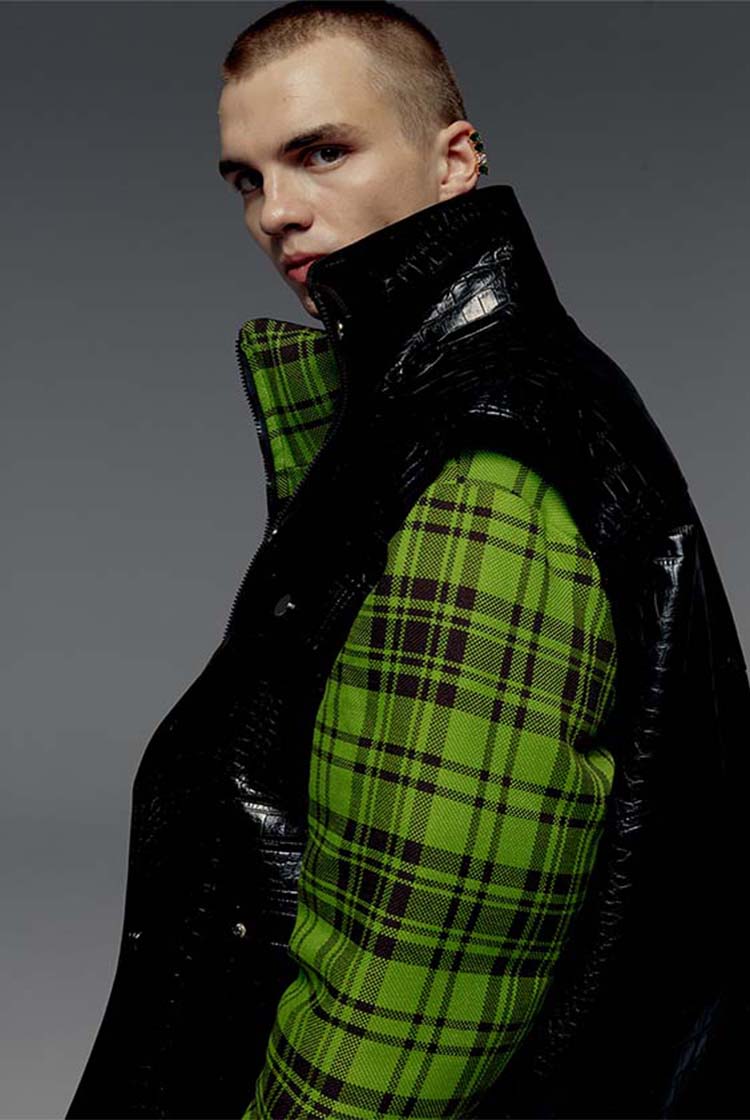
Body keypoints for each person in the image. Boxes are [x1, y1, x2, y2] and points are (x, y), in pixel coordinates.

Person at [65, 3, 749, 1119]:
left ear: (454, 162)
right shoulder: (429, 417)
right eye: (246, 179)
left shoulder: (481, 468)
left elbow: (407, 989)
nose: (277, 212)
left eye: (322, 153)